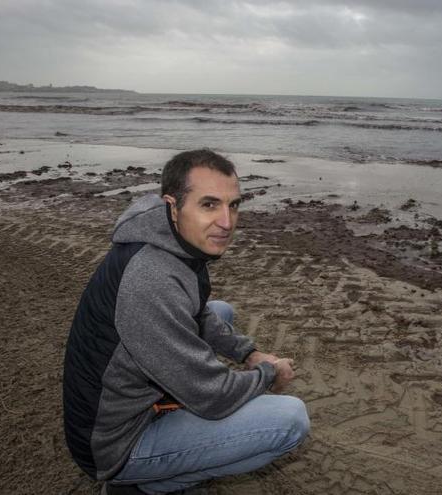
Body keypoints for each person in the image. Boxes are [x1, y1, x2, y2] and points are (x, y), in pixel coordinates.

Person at [62, 149, 309, 494]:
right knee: (289, 421)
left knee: (219, 310)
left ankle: (161, 465)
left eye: (233, 205)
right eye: (209, 204)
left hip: (119, 399)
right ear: (173, 206)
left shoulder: (170, 240)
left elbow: (200, 311)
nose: (227, 222)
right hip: (114, 441)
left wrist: (248, 353)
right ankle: (143, 485)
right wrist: (268, 373)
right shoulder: (152, 278)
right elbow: (213, 396)